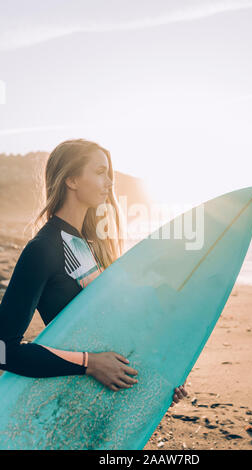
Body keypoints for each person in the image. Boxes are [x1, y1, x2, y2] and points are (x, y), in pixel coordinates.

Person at [0, 138, 187, 407]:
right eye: (100, 172)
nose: (110, 182)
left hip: (101, 401)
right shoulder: (43, 249)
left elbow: (111, 327)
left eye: (109, 173)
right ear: (72, 179)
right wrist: (90, 364)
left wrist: (159, 378)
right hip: (71, 405)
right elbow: (4, 350)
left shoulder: (89, 245)